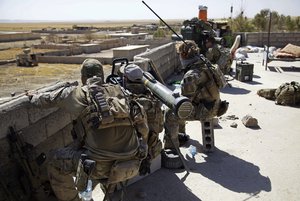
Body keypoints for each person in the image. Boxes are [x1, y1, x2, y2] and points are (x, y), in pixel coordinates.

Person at [29, 59, 149, 201]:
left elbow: (47, 99)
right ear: (102, 76)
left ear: (82, 78)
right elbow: (144, 128)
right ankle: (110, 188)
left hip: (99, 168)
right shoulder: (121, 91)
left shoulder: (77, 94)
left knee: (53, 159)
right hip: (132, 163)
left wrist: (32, 97)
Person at [164, 40, 228, 150]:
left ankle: (172, 147)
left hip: (205, 111)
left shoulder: (191, 75)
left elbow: (185, 104)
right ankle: (181, 135)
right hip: (217, 106)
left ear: (184, 55)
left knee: (171, 111)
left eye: (180, 55)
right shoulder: (207, 64)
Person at [121, 64, 163, 175]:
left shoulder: (123, 100)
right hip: (152, 150)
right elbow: (160, 128)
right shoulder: (152, 99)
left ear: (126, 79)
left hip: (130, 155)